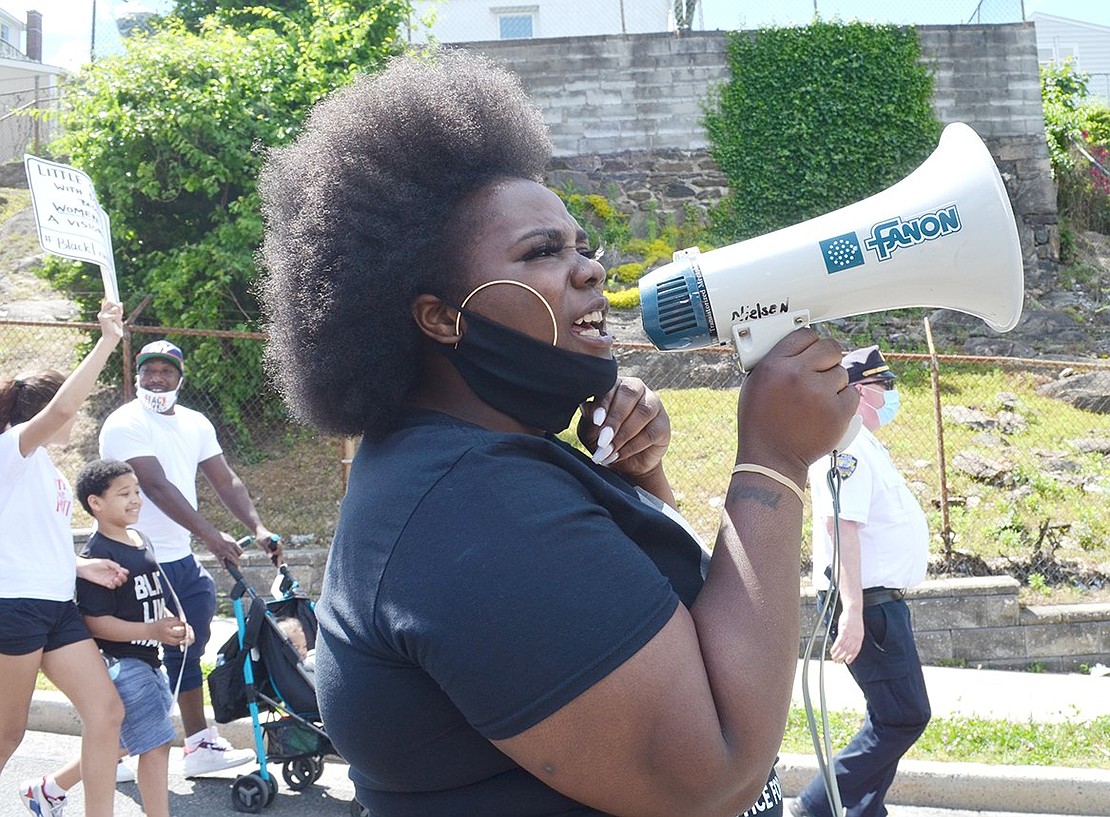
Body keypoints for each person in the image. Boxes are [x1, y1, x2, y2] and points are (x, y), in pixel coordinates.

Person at [257, 49, 858, 817]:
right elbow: (712, 774)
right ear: (441, 316)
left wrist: (642, 487)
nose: (589, 270)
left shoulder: (480, 464)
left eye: (583, 246)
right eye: (543, 252)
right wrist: (773, 459)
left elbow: (678, 642)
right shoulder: (469, 506)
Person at [98, 340, 282, 777]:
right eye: (148, 371)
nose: (156, 378)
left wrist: (256, 527)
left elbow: (225, 478)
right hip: (132, 556)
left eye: (165, 371)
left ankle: (197, 743)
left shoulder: (195, 423)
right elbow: (155, 485)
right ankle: (122, 750)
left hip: (178, 556)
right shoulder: (125, 422)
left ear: (181, 378)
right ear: (138, 376)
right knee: (137, 653)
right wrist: (213, 536)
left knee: (189, 642)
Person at [1, 300, 127, 817]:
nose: (78, 412)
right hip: (16, 608)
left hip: (57, 605)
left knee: (107, 712)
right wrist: (105, 341)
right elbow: (62, 409)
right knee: (8, 732)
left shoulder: (46, 467)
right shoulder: (10, 448)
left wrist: (79, 565)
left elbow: (27, 538)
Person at [793, 346, 932, 817]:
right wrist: (852, 611)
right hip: (866, 603)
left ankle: (862, 812)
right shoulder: (846, 446)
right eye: (882, 386)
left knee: (889, 714)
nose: (890, 394)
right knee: (904, 716)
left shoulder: (864, 445)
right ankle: (817, 805)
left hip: (878, 603)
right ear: (856, 392)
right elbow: (841, 529)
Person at [21, 459, 195, 817]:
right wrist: (150, 631)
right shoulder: (99, 555)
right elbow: (95, 623)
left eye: (136, 491)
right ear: (95, 503)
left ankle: (48, 789)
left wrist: (169, 624)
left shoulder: (139, 539)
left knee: (118, 740)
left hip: (150, 660)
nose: (135, 499)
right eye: (123, 494)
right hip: (124, 663)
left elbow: (150, 600)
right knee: (157, 744)